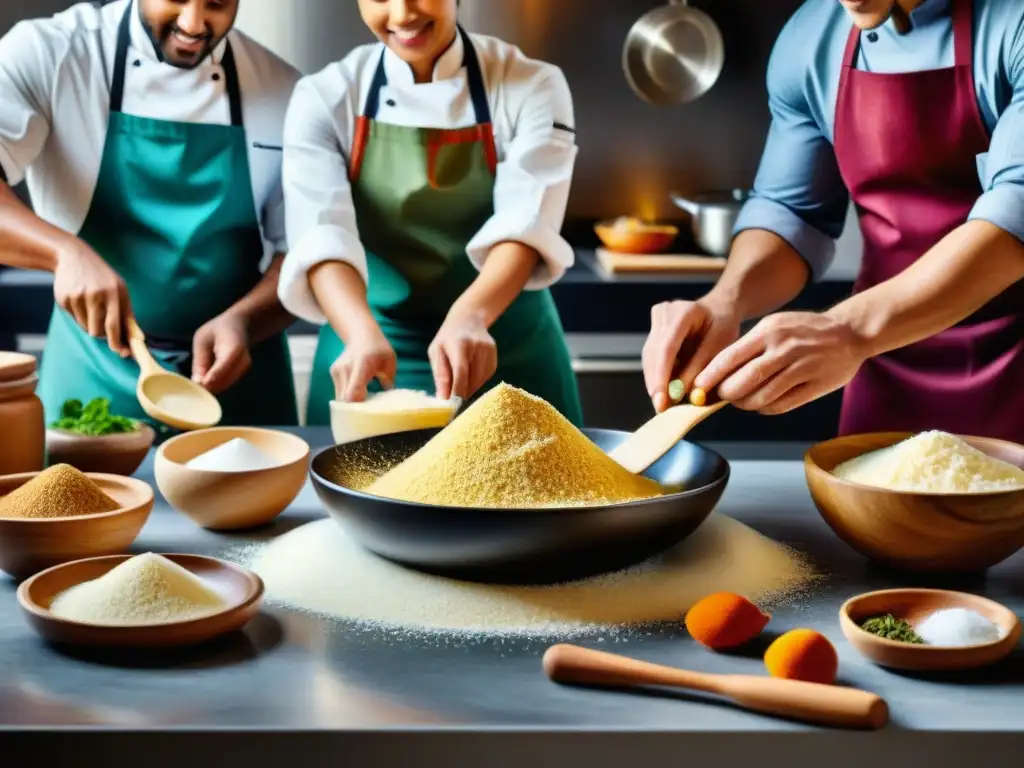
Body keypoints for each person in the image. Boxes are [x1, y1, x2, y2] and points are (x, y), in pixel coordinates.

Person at [642, 0, 1024, 442]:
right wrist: (727, 301)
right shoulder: (811, 37)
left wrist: (849, 329)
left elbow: (1015, 214)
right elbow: (792, 214)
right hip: (884, 371)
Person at [0, 0, 301, 435]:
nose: (194, 23)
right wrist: (63, 253)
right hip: (91, 375)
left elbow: (304, 253)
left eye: (217, 2)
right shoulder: (52, 53)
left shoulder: (287, 92)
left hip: (240, 381)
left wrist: (246, 321)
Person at [278, 0, 583, 426]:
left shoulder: (532, 84)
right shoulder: (326, 96)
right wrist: (358, 332)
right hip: (367, 347)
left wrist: (471, 315)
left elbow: (527, 224)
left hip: (505, 350)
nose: (403, 14)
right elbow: (320, 234)